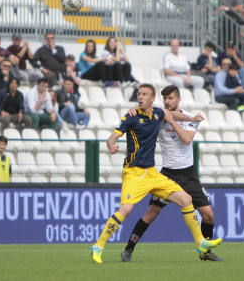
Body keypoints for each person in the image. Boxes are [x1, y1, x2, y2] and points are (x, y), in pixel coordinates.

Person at [91, 83, 222, 264]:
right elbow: (113, 135)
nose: (140, 97)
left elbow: (178, 126)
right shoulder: (134, 116)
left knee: (196, 207)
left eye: (144, 94)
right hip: (147, 173)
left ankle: (202, 246)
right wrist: (111, 143)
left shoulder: (165, 115)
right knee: (136, 211)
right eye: (139, 94)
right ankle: (107, 247)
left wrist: (192, 117)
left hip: (171, 174)